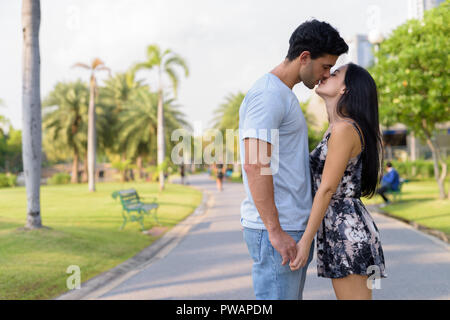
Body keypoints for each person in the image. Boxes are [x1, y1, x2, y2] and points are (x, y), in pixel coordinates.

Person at [239, 19, 348, 300]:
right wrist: (275, 231)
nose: (326, 75)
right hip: (279, 227)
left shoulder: (281, 95)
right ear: (304, 58)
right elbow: (255, 163)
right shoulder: (268, 95)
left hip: (289, 225)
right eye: (325, 66)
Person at [289, 63, 387, 300]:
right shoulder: (337, 128)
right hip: (341, 228)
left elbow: (327, 188)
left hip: (347, 231)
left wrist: (305, 241)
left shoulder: (345, 129)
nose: (325, 75)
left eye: (334, 74)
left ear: (345, 89)